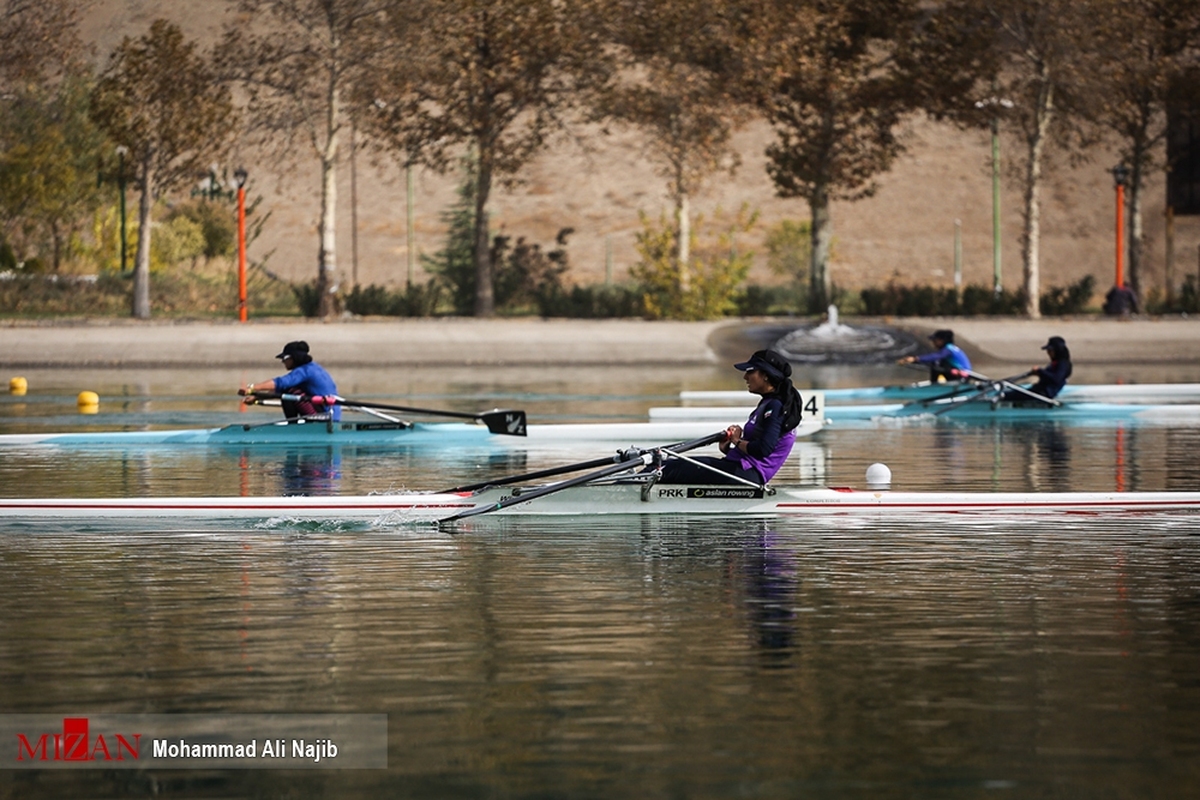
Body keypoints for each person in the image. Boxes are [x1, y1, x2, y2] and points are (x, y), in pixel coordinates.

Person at [657, 349, 803, 486]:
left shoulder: (776, 407)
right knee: (663, 464)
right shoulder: (767, 403)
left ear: (766, 375)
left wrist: (736, 440)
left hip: (749, 474)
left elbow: (763, 450)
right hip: (739, 468)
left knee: (669, 468)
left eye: (750, 371)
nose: (745, 376)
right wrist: (728, 448)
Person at [238, 340, 341, 421]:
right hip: (330, 414)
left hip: (324, 416)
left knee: (289, 391)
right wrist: (256, 397)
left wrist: (252, 388)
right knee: (288, 389)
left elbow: (280, 383)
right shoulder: (313, 367)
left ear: (293, 358)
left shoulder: (304, 371)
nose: (283, 362)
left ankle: (292, 426)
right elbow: (281, 387)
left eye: (284, 358)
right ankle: (297, 424)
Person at [1003, 335, 1072, 402]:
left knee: (1006, 396)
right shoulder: (1057, 362)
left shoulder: (1063, 364)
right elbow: (1049, 376)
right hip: (1040, 391)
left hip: (1044, 394)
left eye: (1050, 350)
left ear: (1057, 351)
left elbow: (1056, 378)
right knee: (1014, 391)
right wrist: (1039, 373)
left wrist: (1040, 371)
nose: (1048, 353)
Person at [897, 329, 972, 382]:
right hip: (957, 373)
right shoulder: (950, 348)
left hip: (962, 375)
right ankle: (935, 385)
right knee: (936, 364)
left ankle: (933, 387)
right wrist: (913, 361)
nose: (933, 343)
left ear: (941, 341)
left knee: (936, 365)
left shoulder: (948, 349)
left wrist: (915, 359)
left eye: (935, 341)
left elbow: (935, 356)